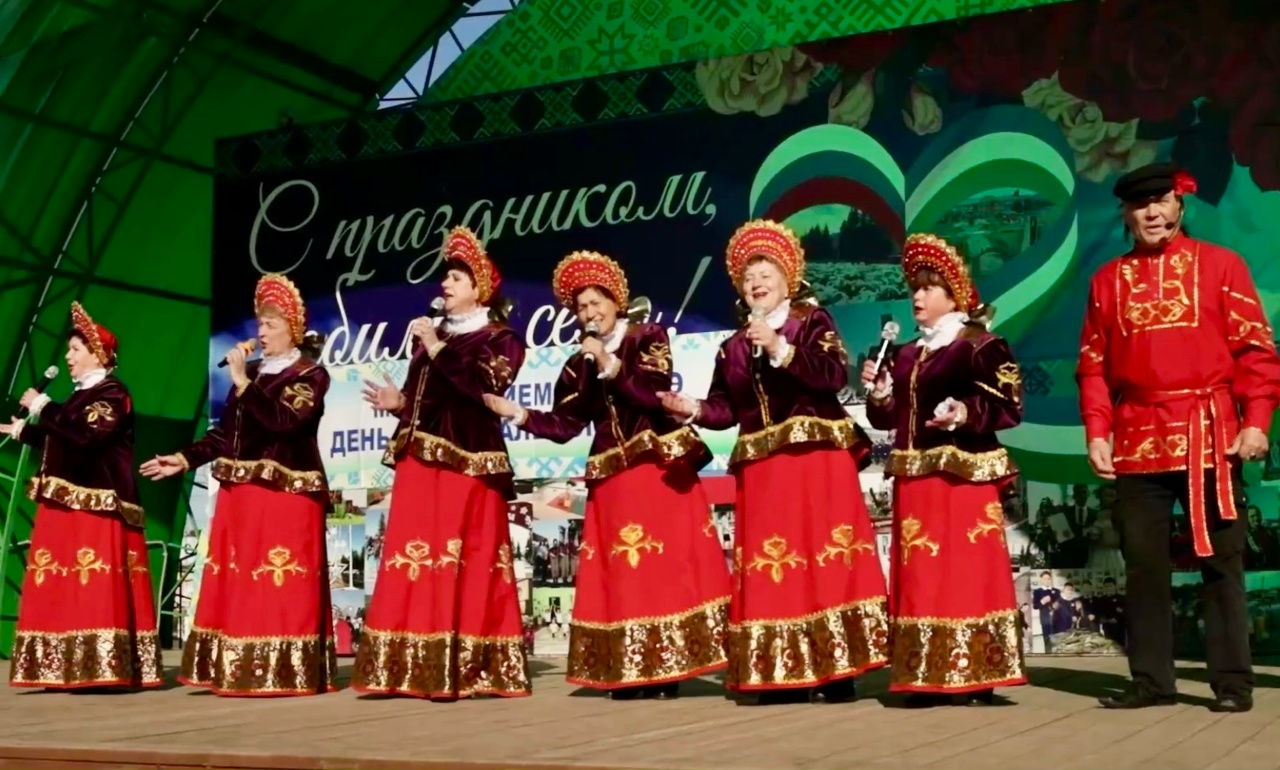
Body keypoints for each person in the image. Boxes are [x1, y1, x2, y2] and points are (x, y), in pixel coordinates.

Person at [1077, 162, 1280, 713]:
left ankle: (1233, 684)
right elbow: (1093, 365)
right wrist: (1097, 430)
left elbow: (1256, 352)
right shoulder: (1106, 282)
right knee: (1143, 565)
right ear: (1126, 214)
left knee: (1221, 560)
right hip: (1137, 435)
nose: (1152, 213)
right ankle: (1151, 682)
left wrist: (1257, 420)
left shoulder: (1221, 266)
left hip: (1208, 431)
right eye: (1140, 205)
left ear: (1179, 206)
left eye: (1161, 201)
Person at [484, 250, 732, 700]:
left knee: (664, 568)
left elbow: (651, 394)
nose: (589, 313)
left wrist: (609, 363)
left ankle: (670, 669)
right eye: (581, 307)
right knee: (625, 573)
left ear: (616, 302)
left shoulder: (648, 337)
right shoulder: (576, 365)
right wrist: (517, 413)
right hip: (612, 475)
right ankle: (630, 667)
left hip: (656, 467)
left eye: (596, 302)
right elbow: (566, 425)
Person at [660, 219, 889, 704]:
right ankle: (780, 671)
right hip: (763, 469)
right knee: (774, 567)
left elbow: (832, 376)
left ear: (788, 280)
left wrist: (781, 348)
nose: (756, 283)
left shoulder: (812, 321)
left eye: (766, 273)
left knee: (824, 560)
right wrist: (693, 408)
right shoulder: (732, 347)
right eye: (748, 277)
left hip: (815, 459)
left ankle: (836, 671)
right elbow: (726, 409)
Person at [353, 226, 530, 700]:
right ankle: (409, 667)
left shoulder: (502, 339)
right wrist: (399, 403)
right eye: (446, 277)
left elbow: (481, 388)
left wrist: (434, 346)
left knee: (459, 559)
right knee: (414, 560)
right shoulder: (435, 337)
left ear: (479, 288)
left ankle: (465, 667)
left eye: (456, 277)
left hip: (466, 463)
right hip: (419, 459)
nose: (445, 284)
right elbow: (429, 399)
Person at [140, 274, 337, 696]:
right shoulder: (251, 374)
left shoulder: (310, 375)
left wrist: (244, 384)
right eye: (259, 324)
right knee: (243, 582)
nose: (261, 333)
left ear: (292, 330)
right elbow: (226, 435)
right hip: (242, 493)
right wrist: (184, 458)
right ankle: (239, 666)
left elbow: (285, 422)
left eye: (270, 324)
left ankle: (285, 670)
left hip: (286, 492)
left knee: (280, 581)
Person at [862, 233, 1027, 707]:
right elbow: (886, 419)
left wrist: (963, 413)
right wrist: (879, 393)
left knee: (967, 573)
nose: (917, 296)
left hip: (963, 478)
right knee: (921, 576)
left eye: (928, 287)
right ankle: (923, 674)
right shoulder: (906, 354)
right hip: (916, 480)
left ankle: (977, 674)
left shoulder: (980, 345)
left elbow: (1009, 405)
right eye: (915, 288)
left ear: (953, 296)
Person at [0, 302, 162, 690]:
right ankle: (60, 665)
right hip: (66, 500)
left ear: (97, 354)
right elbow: (64, 437)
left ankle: (101, 666)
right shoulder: (77, 398)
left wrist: (43, 406)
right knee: (60, 581)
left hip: (95, 503)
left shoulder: (113, 393)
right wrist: (24, 430)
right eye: (68, 350)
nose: (68, 357)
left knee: (91, 583)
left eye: (75, 349)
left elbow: (87, 436)